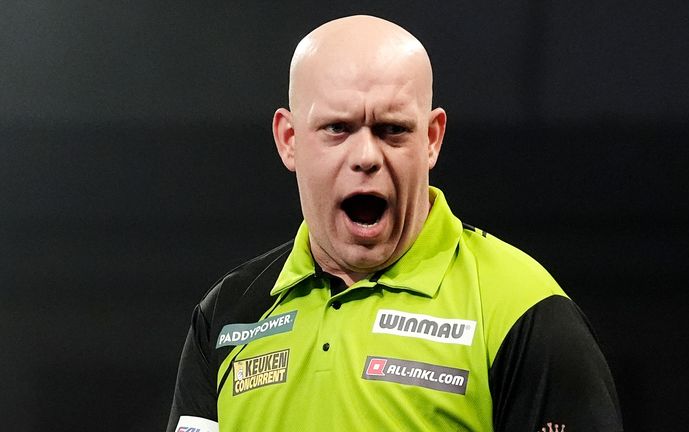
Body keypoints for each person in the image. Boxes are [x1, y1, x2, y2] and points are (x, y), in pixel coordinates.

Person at [167, 15, 622, 432]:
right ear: (289, 140)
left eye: (392, 130)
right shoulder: (227, 313)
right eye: (337, 129)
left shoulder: (521, 307)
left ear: (431, 138)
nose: (366, 157)